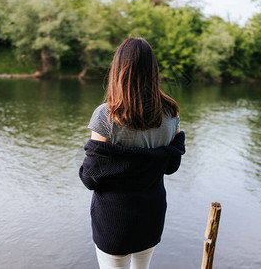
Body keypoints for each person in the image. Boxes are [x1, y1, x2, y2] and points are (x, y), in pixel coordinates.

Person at [79, 37, 185, 269]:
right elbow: (171, 166)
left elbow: (90, 177)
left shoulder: (106, 116)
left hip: (114, 223)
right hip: (151, 216)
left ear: (118, 70)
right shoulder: (171, 113)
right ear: (152, 71)